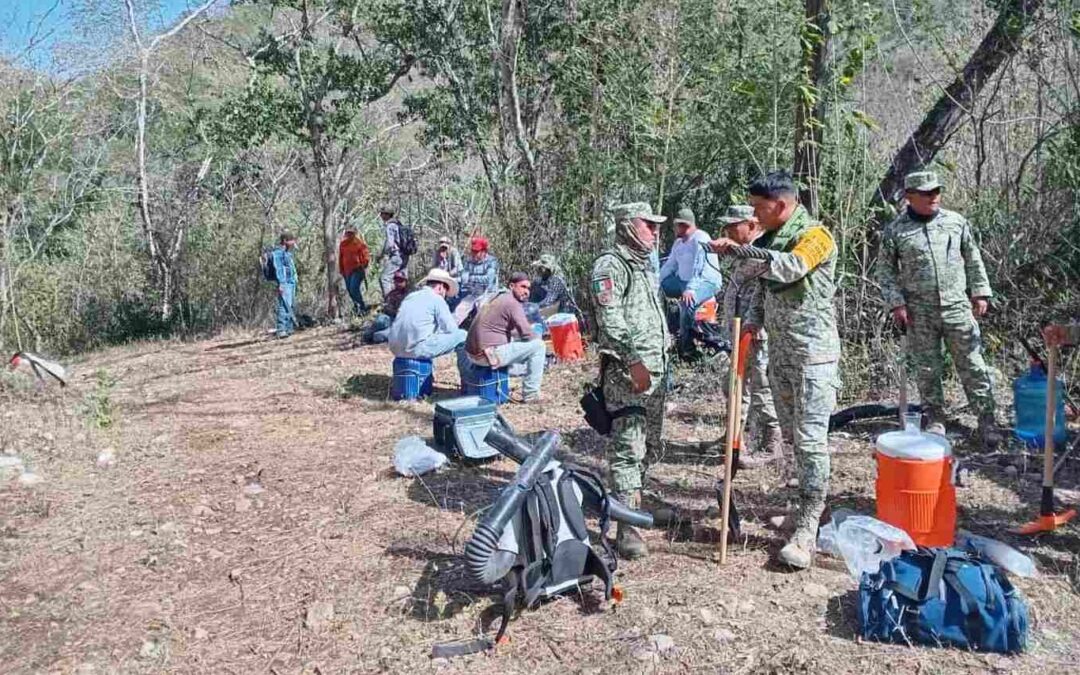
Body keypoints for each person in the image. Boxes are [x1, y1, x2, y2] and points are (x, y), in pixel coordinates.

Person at [709, 171, 839, 570]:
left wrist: (741, 251)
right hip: (780, 355)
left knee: (811, 441)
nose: (754, 214)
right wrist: (749, 325)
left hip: (814, 357)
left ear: (781, 205)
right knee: (792, 438)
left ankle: (807, 528)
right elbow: (763, 294)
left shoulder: (816, 236)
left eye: (759, 208)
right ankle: (800, 506)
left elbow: (791, 268)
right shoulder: (768, 240)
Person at [876, 171, 1002, 447]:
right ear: (909, 196)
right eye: (926, 193)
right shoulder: (896, 230)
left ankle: (987, 420)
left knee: (972, 364)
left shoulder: (956, 223)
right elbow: (885, 272)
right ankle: (935, 418)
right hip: (919, 312)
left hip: (957, 307)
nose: (934, 197)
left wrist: (980, 292)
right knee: (928, 368)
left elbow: (973, 257)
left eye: (936, 191)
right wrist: (896, 303)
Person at [591, 202, 669, 560]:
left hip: (656, 370)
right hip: (629, 374)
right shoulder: (611, 266)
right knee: (628, 448)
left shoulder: (645, 267)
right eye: (648, 225)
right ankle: (627, 526)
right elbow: (610, 320)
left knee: (650, 444)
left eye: (657, 226)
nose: (655, 232)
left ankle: (639, 501)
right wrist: (634, 360)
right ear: (626, 227)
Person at [717, 205, 783, 467]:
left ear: (752, 225)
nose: (729, 231)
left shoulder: (762, 251)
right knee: (733, 384)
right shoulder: (743, 253)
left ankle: (771, 442)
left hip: (756, 333)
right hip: (739, 329)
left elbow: (766, 269)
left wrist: (731, 247)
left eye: (734, 226)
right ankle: (734, 436)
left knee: (761, 387)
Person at [463, 272, 545, 403]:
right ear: (512, 286)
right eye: (523, 287)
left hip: (472, 354)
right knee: (539, 346)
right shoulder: (512, 303)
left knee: (521, 342)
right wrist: (537, 332)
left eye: (528, 288)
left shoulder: (496, 297)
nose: (527, 292)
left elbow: (503, 329)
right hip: (487, 355)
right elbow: (527, 334)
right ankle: (531, 394)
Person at [659, 207, 722, 356]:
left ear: (684, 225)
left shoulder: (701, 238)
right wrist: (656, 282)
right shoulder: (678, 243)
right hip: (683, 282)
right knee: (661, 288)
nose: (674, 229)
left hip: (704, 282)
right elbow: (670, 265)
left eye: (676, 225)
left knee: (689, 303)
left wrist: (691, 289)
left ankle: (687, 348)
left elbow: (699, 267)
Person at [387, 269, 466, 360]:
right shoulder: (437, 299)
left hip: (395, 349)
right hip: (416, 349)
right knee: (462, 335)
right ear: (440, 287)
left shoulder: (410, 296)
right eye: (446, 290)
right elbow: (452, 330)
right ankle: (468, 373)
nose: (445, 295)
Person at [454, 236, 500, 324]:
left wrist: (471, 278)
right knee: (459, 310)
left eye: (476, 251)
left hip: (489, 293)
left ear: (484, 251)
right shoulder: (468, 261)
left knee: (482, 308)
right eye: (472, 251)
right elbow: (464, 276)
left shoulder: (492, 261)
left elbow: (488, 279)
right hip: (473, 293)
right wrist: (460, 278)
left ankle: (484, 333)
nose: (473, 253)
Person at [363, 271, 409, 344]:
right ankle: (369, 333)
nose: (398, 283)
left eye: (401, 281)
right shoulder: (391, 294)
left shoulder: (410, 295)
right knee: (380, 320)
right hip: (389, 319)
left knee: (378, 336)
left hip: (400, 323)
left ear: (405, 282)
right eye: (396, 281)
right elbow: (385, 308)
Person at [272, 232, 299, 339]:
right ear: (284, 241)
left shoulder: (287, 253)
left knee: (290, 305)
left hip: (291, 281)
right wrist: (281, 283)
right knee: (284, 305)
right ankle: (281, 329)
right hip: (285, 283)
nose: (293, 243)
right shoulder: (278, 253)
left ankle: (289, 328)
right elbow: (279, 269)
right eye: (291, 241)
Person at [378, 205, 409, 297]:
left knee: (384, 278)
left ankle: (389, 300)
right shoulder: (399, 224)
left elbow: (389, 244)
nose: (381, 216)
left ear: (387, 215)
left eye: (382, 214)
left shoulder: (390, 226)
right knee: (401, 279)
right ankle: (403, 299)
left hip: (396, 256)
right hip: (405, 256)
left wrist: (381, 254)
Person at [338, 226, 370, 315]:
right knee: (350, 290)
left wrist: (363, 265)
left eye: (351, 233)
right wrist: (341, 270)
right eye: (347, 233)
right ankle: (357, 308)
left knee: (354, 289)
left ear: (354, 234)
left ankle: (362, 307)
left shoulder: (359, 244)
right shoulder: (343, 244)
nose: (349, 235)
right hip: (346, 271)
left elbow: (366, 257)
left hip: (357, 270)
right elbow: (341, 258)